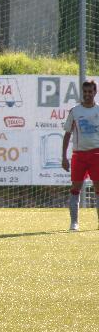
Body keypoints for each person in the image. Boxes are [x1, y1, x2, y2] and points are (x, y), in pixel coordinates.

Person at [62, 79, 99, 232]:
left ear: (95, 92)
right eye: (85, 92)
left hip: (96, 154)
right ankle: (74, 223)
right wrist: (63, 157)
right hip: (79, 155)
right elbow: (67, 134)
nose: (87, 94)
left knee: (98, 188)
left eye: (90, 91)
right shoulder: (75, 111)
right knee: (75, 188)